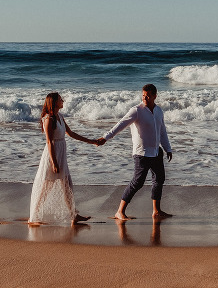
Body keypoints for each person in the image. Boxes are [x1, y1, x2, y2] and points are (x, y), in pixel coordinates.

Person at [95, 84, 173, 220]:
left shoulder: (159, 111)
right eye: (143, 95)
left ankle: (156, 211)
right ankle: (119, 211)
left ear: (155, 96)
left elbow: (162, 131)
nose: (145, 98)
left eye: (148, 96)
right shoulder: (136, 110)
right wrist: (106, 137)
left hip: (156, 152)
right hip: (141, 153)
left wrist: (168, 148)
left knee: (159, 180)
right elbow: (120, 124)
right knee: (137, 182)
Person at [29, 92, 97, 226]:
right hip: (52, 156)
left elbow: (71, 133)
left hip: (61, 153)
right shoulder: (48, 119)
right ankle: (34, 216)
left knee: (67, 187)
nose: (63, 101)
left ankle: (74, 215)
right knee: (45, 188)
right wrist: (54, 163)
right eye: (60, 99)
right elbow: (49, 142)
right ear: (54, 102)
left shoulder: (59, 116)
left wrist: (91, 141)